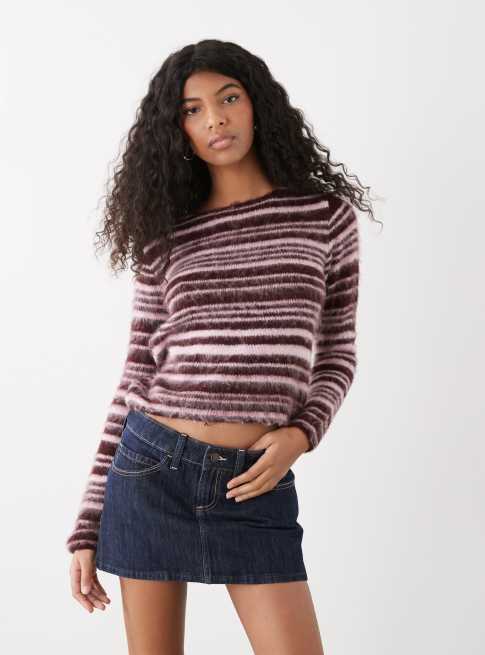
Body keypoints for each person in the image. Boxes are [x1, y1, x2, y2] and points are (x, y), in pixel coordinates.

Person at [66, 38, 375, 655]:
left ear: (257, 104)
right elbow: (136, 373)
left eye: (229, 98)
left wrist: (302, 433)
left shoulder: (324, 216)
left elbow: (337, 352)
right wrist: (88, 520)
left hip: (253, 481)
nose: (215, 119)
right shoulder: (166, 235)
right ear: (177, 128)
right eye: (193, 109)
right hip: (150, 469)